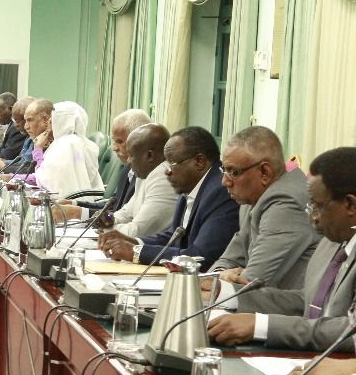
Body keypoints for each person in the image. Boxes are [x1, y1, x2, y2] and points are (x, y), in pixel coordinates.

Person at [208, 147, 356, 352]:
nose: (312, 218)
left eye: (318, 207)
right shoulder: (331, 243)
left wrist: (261, 326)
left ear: (350, 204)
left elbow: (351, 332)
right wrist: (225, 293)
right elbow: (307, 303)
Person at [98, 126, 239, 270]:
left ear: (199, 161)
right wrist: (133, 241)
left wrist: (135, 252)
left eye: (172, 163)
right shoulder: (189, 188)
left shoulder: (220, 193)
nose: (167, 171)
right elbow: (173, 237)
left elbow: (201, 256)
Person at [207, 126, 318, 292]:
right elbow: (232, 257)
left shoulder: (286, 204)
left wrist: (217, 281)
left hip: (292, 306)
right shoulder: (251, 198)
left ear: (265, 172)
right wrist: (220, 273)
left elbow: (249, 283)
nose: (224, 181)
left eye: (233, 172)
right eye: (224, 170)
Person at [55, 108, 152, 221]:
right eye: (114, 141)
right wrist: (74, 204)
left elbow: (127, 219)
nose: (114, 148)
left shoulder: (147, 174)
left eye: (119, 141)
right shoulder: (128, 167)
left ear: (138, 140)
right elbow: (114, 206)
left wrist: (78, 213)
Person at [102, 123, 179, 238]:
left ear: (149, 156)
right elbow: (127, 213)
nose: (128, 161)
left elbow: (136, 232)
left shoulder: (163, 178)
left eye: (131, 155)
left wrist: (105, 228)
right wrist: (108, 219)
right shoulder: (146, 173)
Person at [32, 101, 104, 197]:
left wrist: (38, 149)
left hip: (69, 202)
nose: (48, 127)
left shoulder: (66, 145)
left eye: (51, 122)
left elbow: (45, 181)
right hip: (87, 199)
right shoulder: (83, 143)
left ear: (61, 122)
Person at [0, 96, 36, 173]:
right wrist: (2, 162)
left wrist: (4, 166)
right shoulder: (29, 137)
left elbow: (26, 168)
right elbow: (21, 160)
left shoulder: (39, 140)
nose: (15, 125)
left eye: (17, 121)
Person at [0, 93, 26, 161]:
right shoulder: (11, 124)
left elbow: (7, 156)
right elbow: (3, 149)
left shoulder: (18, 127)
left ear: (11, 109)